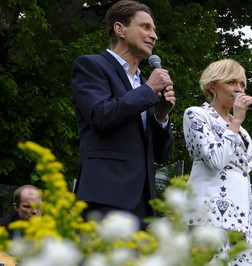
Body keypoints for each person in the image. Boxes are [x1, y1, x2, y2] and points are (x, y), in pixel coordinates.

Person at [70, 0, 175, 223]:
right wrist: (148, 90)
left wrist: (161, 116)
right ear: (120, 29)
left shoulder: (145, 83)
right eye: (146, 27)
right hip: (105, 197)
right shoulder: (91, 66)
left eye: (154, 29)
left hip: (142, 203)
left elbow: (159, 154)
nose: (154, 35)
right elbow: (101, 115)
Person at [183, 59, 252, 266]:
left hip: (241, 224)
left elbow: (244, 178)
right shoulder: (196, 115)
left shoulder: (244, 133)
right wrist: (235, 121)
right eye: (231, 82)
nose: (239, 89)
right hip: (208, 218)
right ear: (211, 86)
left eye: (243, 84)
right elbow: (214, 159)